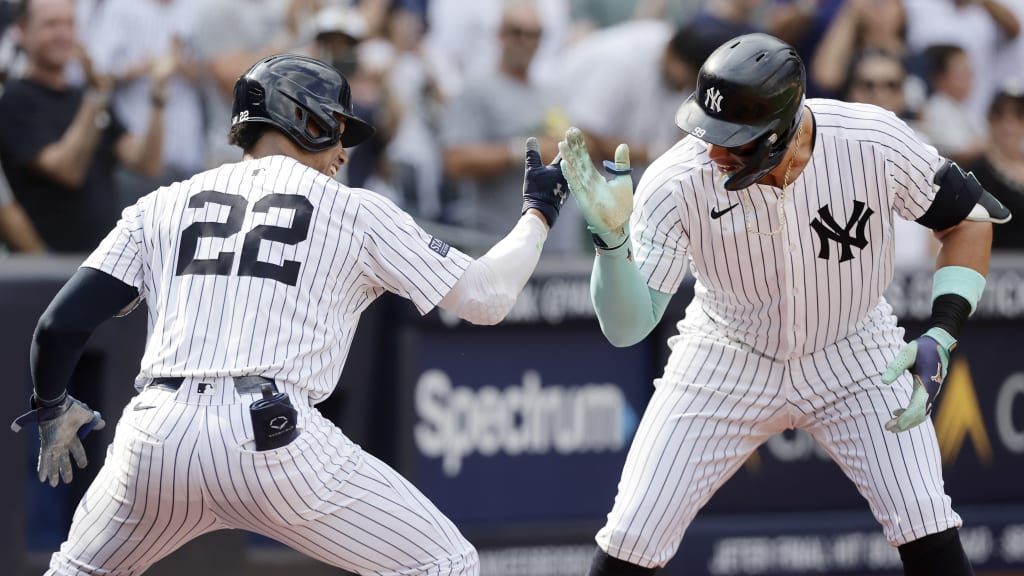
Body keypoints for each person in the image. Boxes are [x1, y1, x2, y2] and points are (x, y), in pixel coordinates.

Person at [10, 53, 568, 576]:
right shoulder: (352, 209)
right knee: (444, 562)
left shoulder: (162, 202)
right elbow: (487, 297)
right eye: (338, 131)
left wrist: (52, 405)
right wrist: (538, 213)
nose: (343, 152)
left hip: (154, 435)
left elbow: (59, 326)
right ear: (306, 120)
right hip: (271, 438)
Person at [558, 33, 1010, 576]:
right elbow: (628, 328)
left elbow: (968, 221)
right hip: (726, 354)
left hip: (855, 349)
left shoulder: (872, 139)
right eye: (707, 130)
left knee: (925, 520)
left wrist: (942, 331)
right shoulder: (677, 180)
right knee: (631, 536)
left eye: (732, 139)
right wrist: (612, 245)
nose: (713, 151)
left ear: (781, 131)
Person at [0, 0, 169, 253]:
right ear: (22, 31)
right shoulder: (16, 100)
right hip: (48, 265)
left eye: (69, 24)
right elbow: (68, 171)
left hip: (105, 260)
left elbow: (148, 163)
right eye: (51, 24)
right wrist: (96, 96)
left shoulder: (85, 97)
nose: (63, 34)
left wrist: (158, 97)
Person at [967, 84, 1024, 252]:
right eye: (1000, 114)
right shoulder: (975, 172)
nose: (1009, 124)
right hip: (995, 262)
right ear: (990, 119)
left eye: (1019, 114)